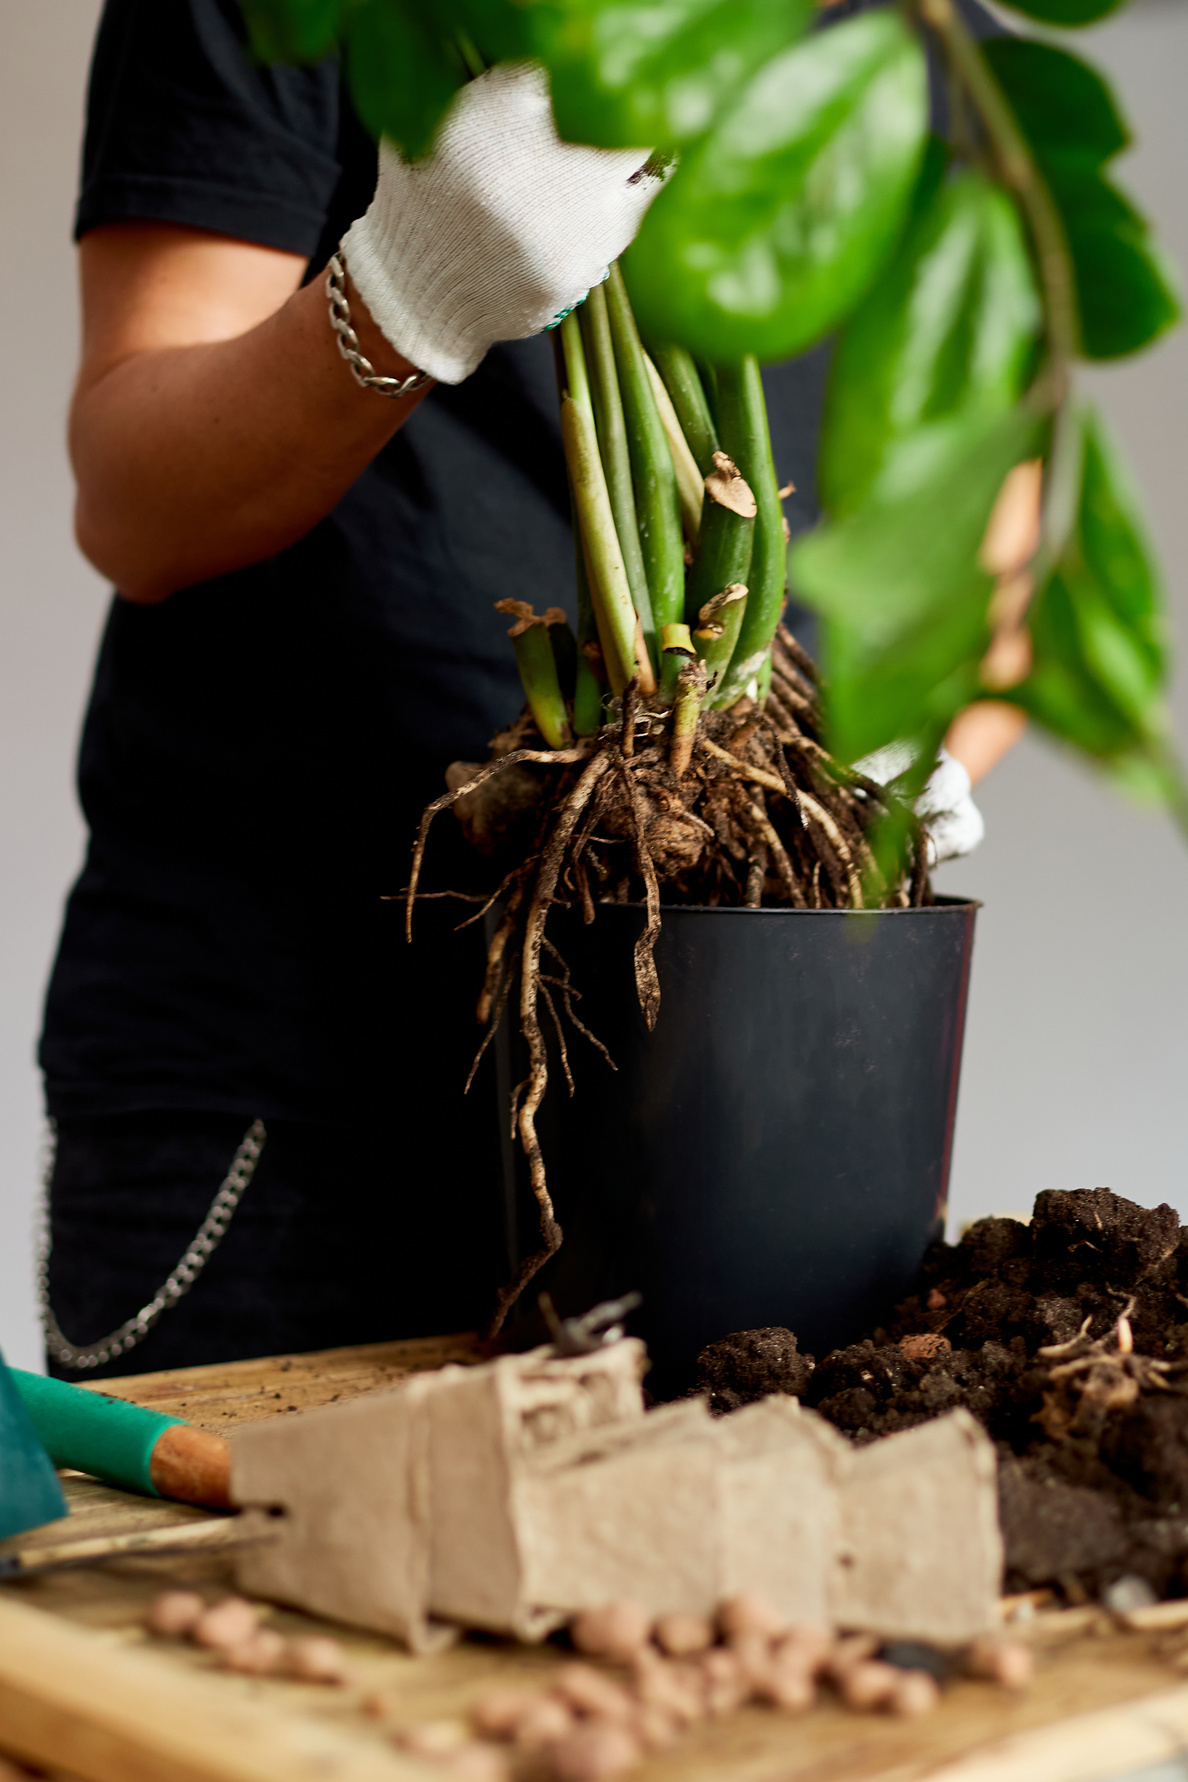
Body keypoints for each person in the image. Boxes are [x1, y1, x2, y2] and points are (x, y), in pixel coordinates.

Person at [40, 0, 1021, 1379]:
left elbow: (1000, 554)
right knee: (237, 1576)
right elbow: (131, 502)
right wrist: (403, 295)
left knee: (683, 1579)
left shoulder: (926, 43)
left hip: (711, 1105)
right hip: (289, 1094)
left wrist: (892, 755)